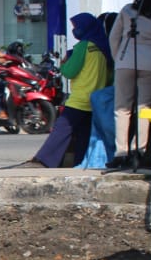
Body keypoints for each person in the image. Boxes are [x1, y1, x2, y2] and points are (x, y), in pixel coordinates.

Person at [19, 12, 112, 169]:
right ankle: (79, 163)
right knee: (83, 135)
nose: (74, 30)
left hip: (80, 98)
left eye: (76, 27)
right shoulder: (104, 48)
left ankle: (43, 160)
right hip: (96, 100)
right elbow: (109, 76)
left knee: (62, 129)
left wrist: (64, 63)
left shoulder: (83, 47)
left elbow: (70, 71)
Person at [108, 0, 151, 168]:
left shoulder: (128, 11)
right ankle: (139, 149)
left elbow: (114, 37)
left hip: (126, 60)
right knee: (145, 108)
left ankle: (121, 152)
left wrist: (118, 58)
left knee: (122, 108)